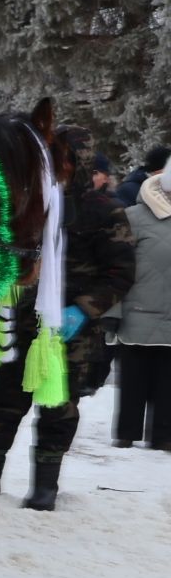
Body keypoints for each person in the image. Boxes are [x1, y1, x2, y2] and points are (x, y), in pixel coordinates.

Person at [0, 125, 135, 509]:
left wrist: (82, 311)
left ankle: (45, 487)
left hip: (73, 330)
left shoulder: (104, 210)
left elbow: (121, 274)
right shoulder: (33, 202)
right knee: (4, 399)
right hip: (22, 321)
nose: (59, 167)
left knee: (59, 406)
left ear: (81, 162)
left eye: (66, 159)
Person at [113, 160, 171, 449]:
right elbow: (115, 268)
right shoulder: (134, 217)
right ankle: (127, 432)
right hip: (138, 316)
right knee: (134, 381)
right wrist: (110, 312)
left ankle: (164, 436)